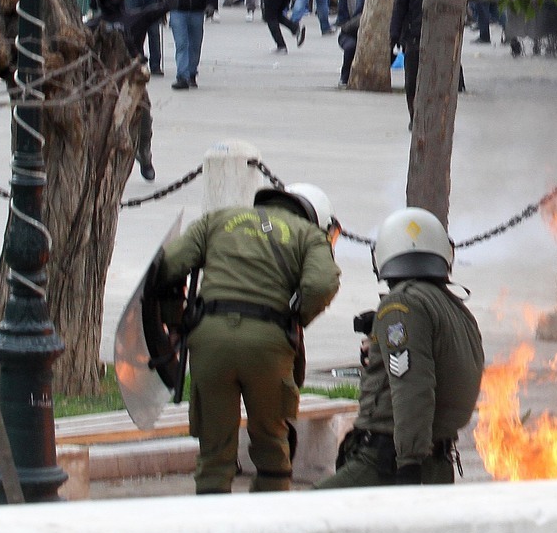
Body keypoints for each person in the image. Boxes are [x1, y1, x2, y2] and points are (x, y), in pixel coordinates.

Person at [159, 183, 342, 493]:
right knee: (272, 443)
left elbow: (169, 265)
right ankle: (267, 526)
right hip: (268, 346)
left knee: (214, 448)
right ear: (316, 217)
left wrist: (175, 319)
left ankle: (213, 523)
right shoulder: (309, 235)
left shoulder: (217, 219)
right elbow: (322, 285)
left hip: (210, 339)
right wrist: (296, 319)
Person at [316, 207, 484, 489]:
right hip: (436, 463)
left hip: (388, 463)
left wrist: (408, 466)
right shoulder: (454, 307)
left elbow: (413, 388)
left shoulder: (401, 305)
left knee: (298, 514)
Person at [86, 0, 177, 180]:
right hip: (104, 83)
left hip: (133, 81)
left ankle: (144, 155)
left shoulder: (134, 17)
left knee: (143, 120)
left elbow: (168, 5)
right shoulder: (93, 25)